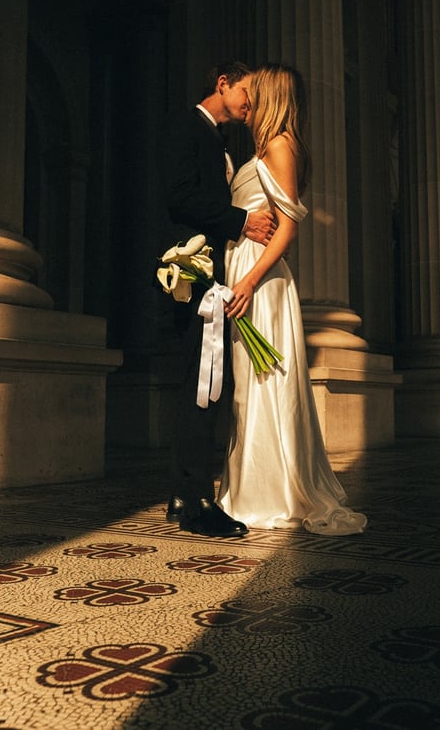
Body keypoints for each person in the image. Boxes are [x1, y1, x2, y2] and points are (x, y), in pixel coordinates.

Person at [219, 63, 367, 536]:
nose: (246, 100)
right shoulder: (265, 147)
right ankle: (252, 486)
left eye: (255, 92)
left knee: (260, 383)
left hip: (261, 280)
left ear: (271, 97)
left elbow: (287, 228)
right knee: (247, 385)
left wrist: (249, 281)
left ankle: (268, 494)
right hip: (246, 269)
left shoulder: (280, 146)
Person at [158, 60, 275, 537]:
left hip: (213, 275)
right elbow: (179, 197)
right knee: (203, 383)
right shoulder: (188, 127)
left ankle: (182, 492)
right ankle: (197, 503)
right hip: (192, 274)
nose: (251, 103)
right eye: (247, 91)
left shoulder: (220, 140)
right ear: (222, 84)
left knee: (203, 382)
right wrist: (241, 221)